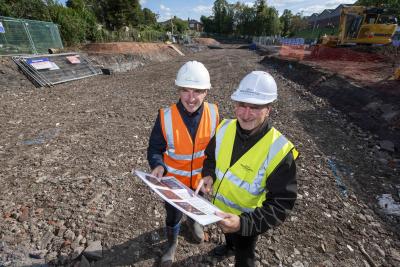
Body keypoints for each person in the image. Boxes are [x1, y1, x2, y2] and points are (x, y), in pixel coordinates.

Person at [201, 71, 298, 267]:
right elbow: (210, 157)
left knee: (245, 255)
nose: (246, 114)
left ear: (269, 109)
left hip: (248, 221)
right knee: (229, 237)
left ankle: (238, 251)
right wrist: (208, 175)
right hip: (220, 209)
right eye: (242, 105)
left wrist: (243, 224)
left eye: (255, 107)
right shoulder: (224, 128)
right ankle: (229, 247)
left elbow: (281, 203)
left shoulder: (279, 150)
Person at [147, 61, 219, 267]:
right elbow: (154, 148)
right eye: (185, 91)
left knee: (196, 207)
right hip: (173, 183)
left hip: (199, 182)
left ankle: (193, 222)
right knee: (172, 215)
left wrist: (210, 173)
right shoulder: (165, 116)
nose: (191, 98)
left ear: (206, 91)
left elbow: (215, 151)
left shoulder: (214, 114)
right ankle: (171, 243)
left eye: (197, 91)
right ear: (178, 90)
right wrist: (157, 164)